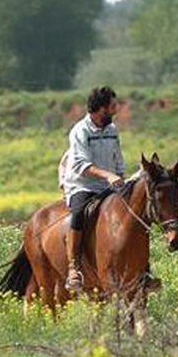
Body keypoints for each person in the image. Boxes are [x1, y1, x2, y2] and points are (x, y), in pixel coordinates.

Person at [60, 86, 126, 295]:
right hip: (83, 184)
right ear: (101, 109)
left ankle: (143, 270)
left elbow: (117, 158)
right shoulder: (80, 131)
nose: (115, 111)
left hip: (110, 184)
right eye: (113, 107)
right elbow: (82, 166)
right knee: (78, 215)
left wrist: (121, 177)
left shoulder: (112, 130)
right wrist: (108, 176)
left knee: (133, 213)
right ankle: (73, 268)